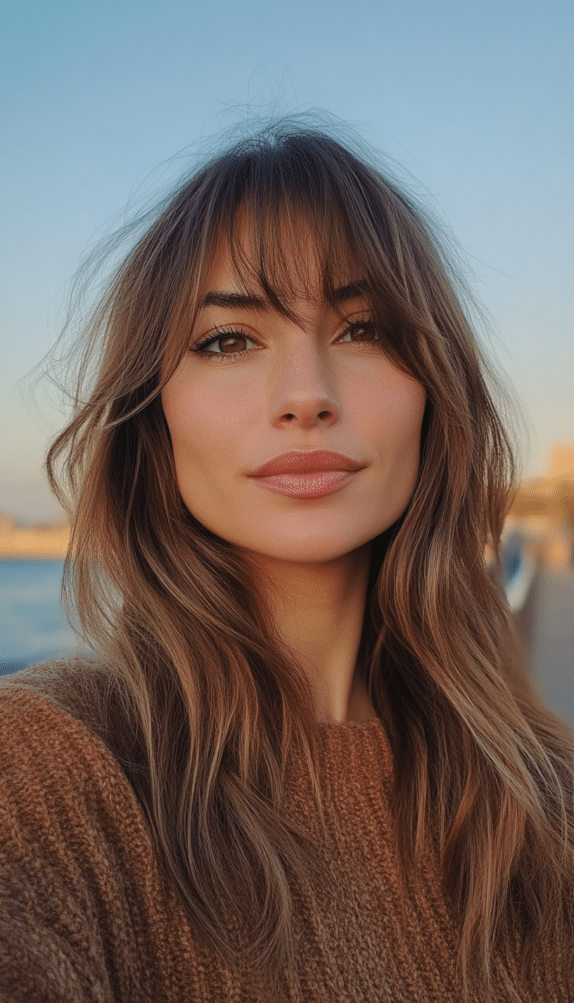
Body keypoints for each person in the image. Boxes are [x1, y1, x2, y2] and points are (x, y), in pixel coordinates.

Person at [1, 117, 573, 1003]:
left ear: (435, 392)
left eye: (365, 329)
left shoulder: (544, 793)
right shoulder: (50, 769)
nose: (307, 396)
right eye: (228, 340)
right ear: (152, 418)